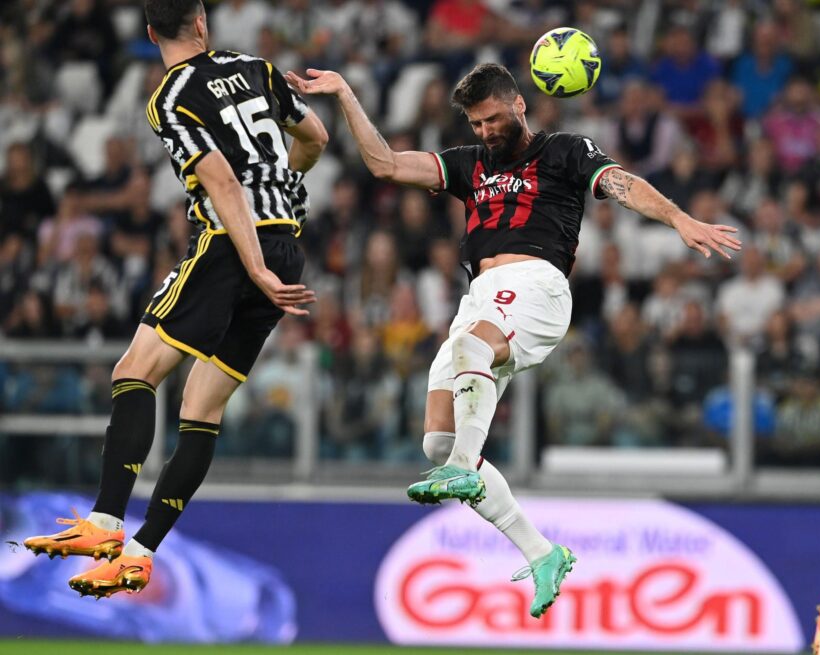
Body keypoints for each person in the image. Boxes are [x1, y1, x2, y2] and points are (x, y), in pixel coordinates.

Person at [286, 62, 741, 618]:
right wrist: (345, 93)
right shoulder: (469, 165)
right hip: (480, 296)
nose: (485, 133)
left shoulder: (564, 151)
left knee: (469, 367)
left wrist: (678, 219)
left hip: (537, 285)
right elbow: (383, 164)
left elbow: (622, 184)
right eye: (476, 124)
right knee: (436, 440)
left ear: (519, 104)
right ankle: (542, 552)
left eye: (492, 120)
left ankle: (463, 464)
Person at [23, 0, 327, 598]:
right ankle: (138, 555)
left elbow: (219, 180)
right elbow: (313, 136)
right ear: (203, 22)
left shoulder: (171, 96)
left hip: (232, 247)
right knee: (202, 408)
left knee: (134, 371)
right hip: (287, 243)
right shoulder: (259, 68)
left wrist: (254, 262)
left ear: (148, 33)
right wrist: (283, 193)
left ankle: (105, 525)